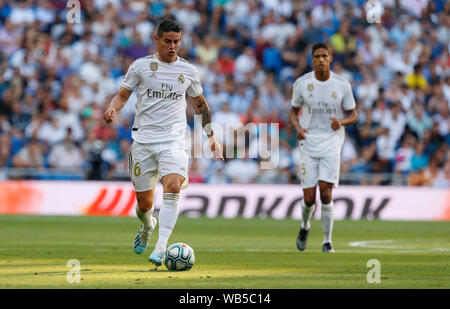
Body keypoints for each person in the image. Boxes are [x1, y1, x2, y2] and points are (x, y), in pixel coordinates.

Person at [103, 20, 223, 267]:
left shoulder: (188, 71)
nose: (172, 46)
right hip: (144, 142)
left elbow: (200, 105)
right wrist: (112, 108)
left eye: (176, 41)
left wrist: (211, 136)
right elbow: (122, 95)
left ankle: (161, 247)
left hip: (174, 140)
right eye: (167, 41)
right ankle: (147, 225)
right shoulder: (141, 67)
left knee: (173, 186)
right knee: (144, 205)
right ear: (156, 40)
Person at [289, 42, 358, 253]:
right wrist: (298, 127)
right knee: (309, 198)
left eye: (324, 56)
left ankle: (327, 242)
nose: (320, 60)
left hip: (331, 141)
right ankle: (305, 226)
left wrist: (342, 122)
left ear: (331, 59)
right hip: (309, 141)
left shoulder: (342, 85)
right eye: (317, 56)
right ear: (312, 59)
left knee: (326, 194)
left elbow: (354, 115)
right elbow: (293, 112)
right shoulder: (302, 83)